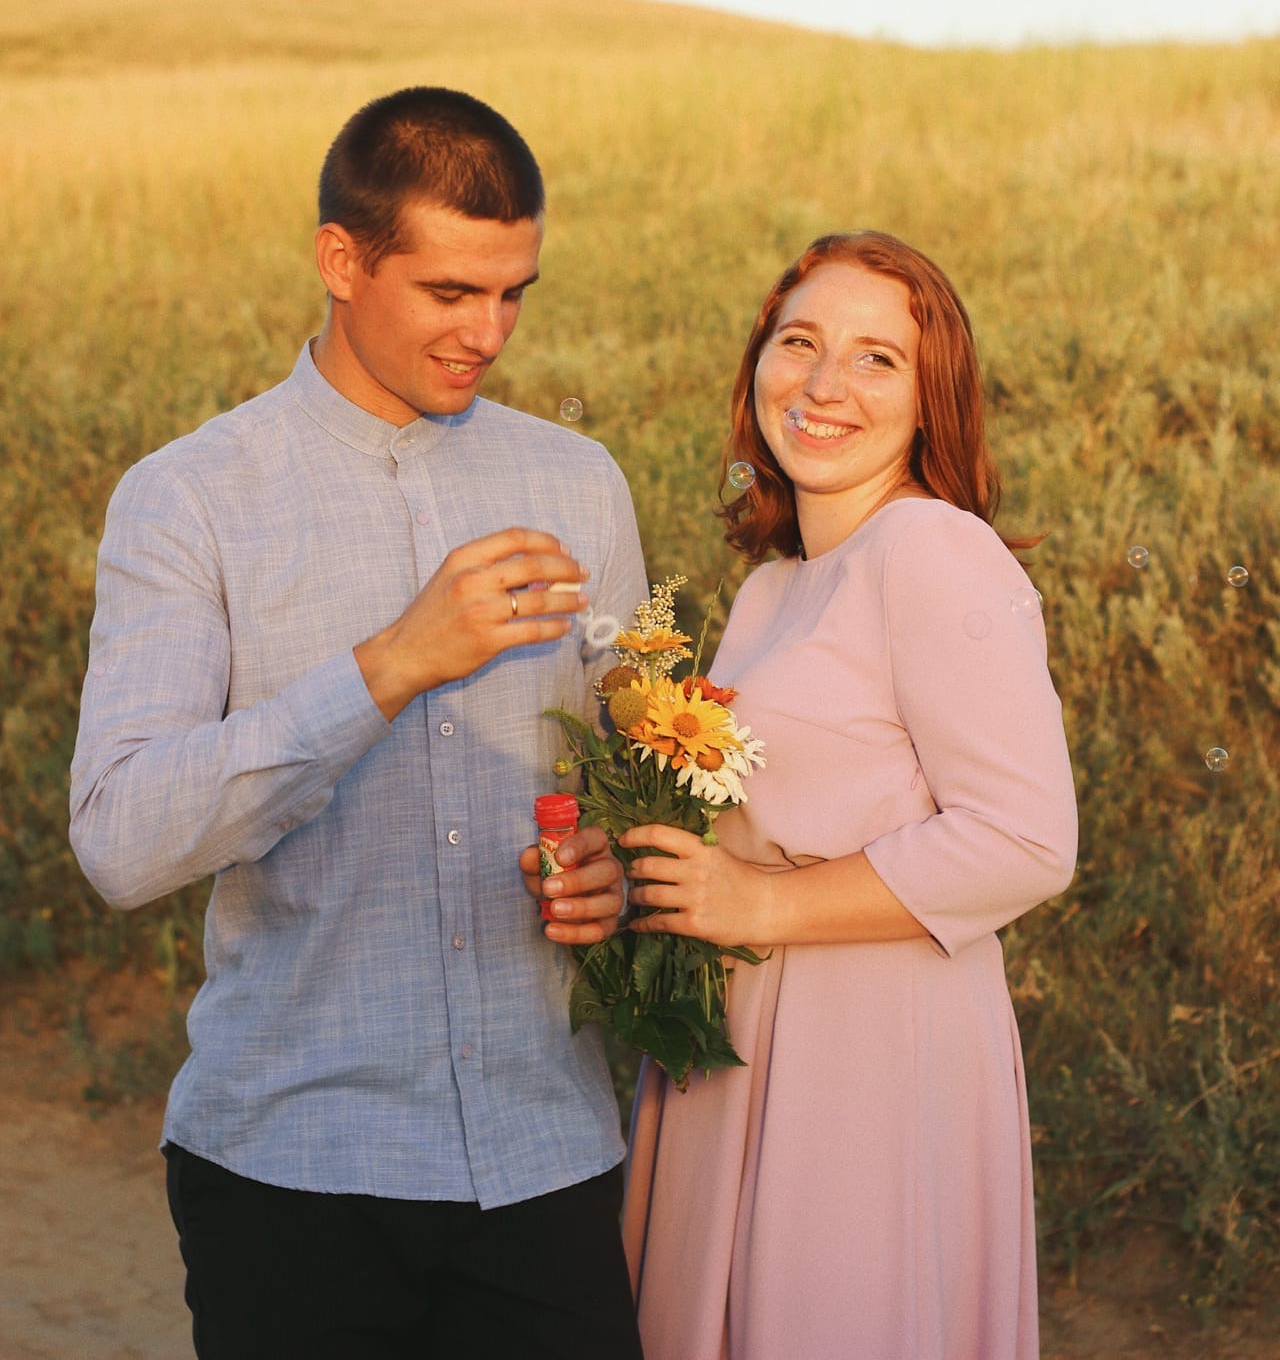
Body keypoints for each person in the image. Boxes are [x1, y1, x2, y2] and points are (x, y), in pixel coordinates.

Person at [70, 87, 648, 1360]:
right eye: (449, 291)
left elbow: (634, 773)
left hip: (542, 1152)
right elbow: (120, 837)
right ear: (341, 259)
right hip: (289, 1166)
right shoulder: (185, 500)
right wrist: (389, 664)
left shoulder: (579, 483)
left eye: (514, 292)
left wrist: (614, 870)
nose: (487, 332)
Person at [620, 230, 1078, 1360]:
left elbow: (1024, 839)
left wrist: (762, 906)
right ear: (756, 366)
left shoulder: (930, 548)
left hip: (867, 1045)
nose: (824, 385)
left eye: (877, 359)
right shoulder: (775, 582)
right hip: (743, 1035)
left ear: (932, 402)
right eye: (800, 343)